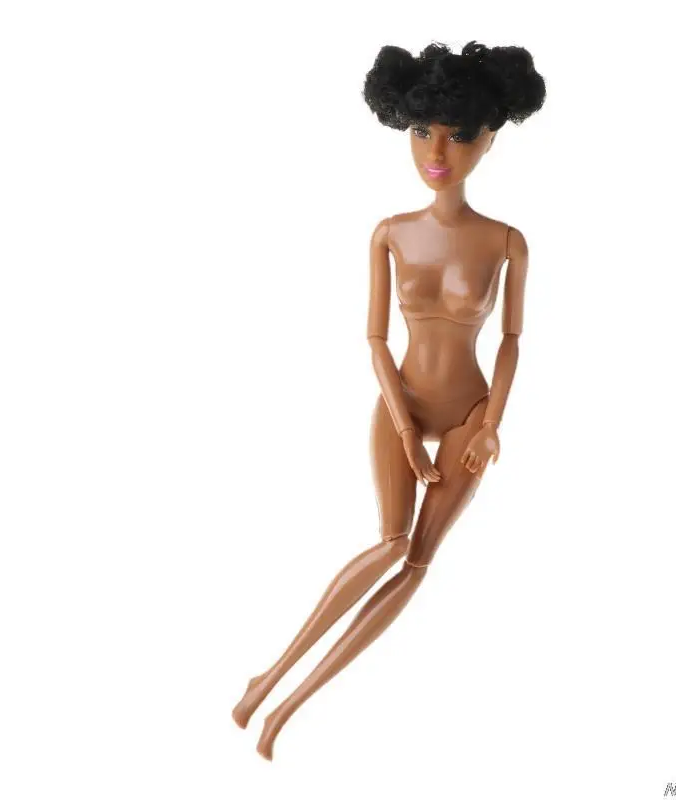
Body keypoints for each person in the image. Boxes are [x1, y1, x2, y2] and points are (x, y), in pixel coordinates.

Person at [232, 39, 546, 759]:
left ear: (489, 140)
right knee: (390, 543)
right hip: (402, 399)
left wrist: (492, 424)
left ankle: (287, 709)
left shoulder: (507, 242)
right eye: (423, 130)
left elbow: (511, 341)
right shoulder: (390, 234)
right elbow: (374, 339)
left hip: (469, 415)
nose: (436, 152)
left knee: (417, 562)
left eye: (458, 135)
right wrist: (405, 430)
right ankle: (266, 680)